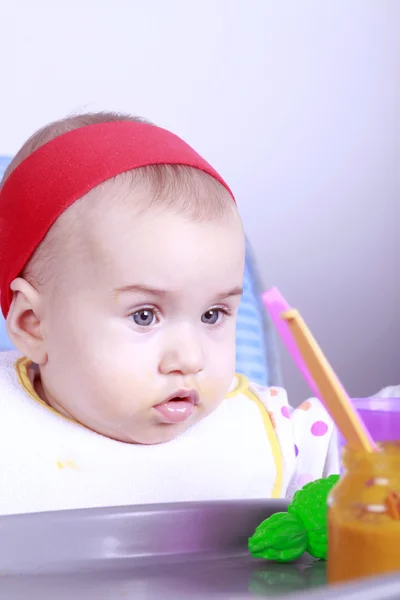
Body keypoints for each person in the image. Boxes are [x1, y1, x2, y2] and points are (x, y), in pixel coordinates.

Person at [0, 112, 339, 516]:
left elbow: (372, 449)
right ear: (32, 325)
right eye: (145, 316)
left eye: (213, 314)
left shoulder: (273, 434)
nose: (190, 359)